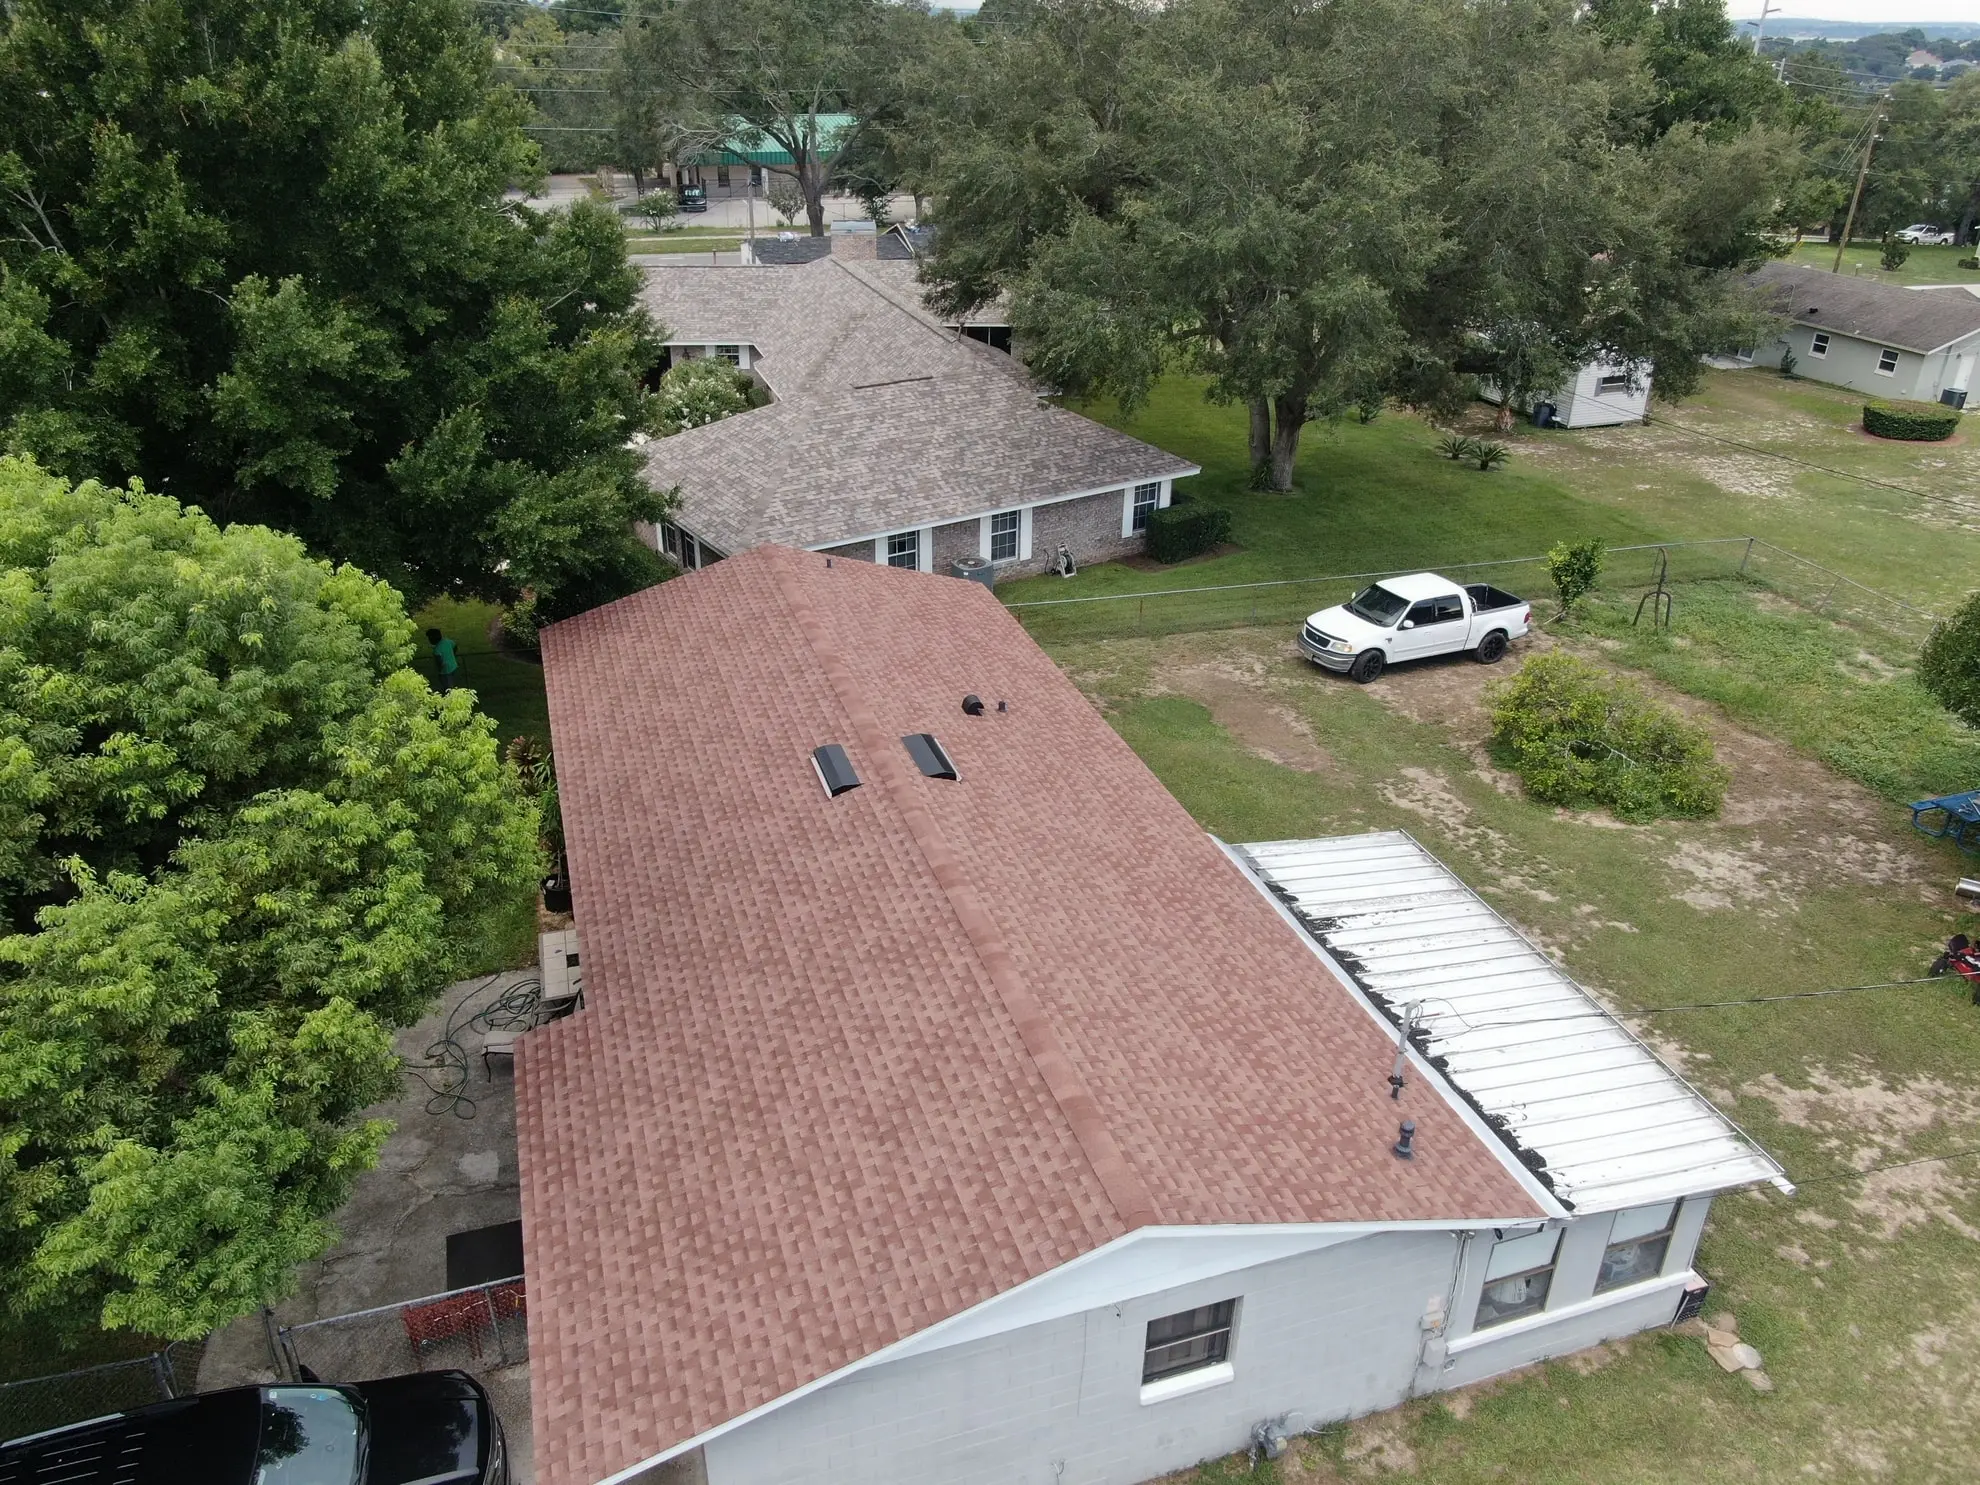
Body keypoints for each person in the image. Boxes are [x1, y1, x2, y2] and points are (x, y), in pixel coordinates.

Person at [427, 627, 459, 693]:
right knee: (452, 681)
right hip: (453, 666)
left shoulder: (437, 650)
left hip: (445, 671)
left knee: (448, 686)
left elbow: (439, 662)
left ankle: (450, 697)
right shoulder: (447, 641)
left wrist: (439, 671)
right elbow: (455, 646)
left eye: (429, 638)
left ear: (432, 639)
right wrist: (452, 654)